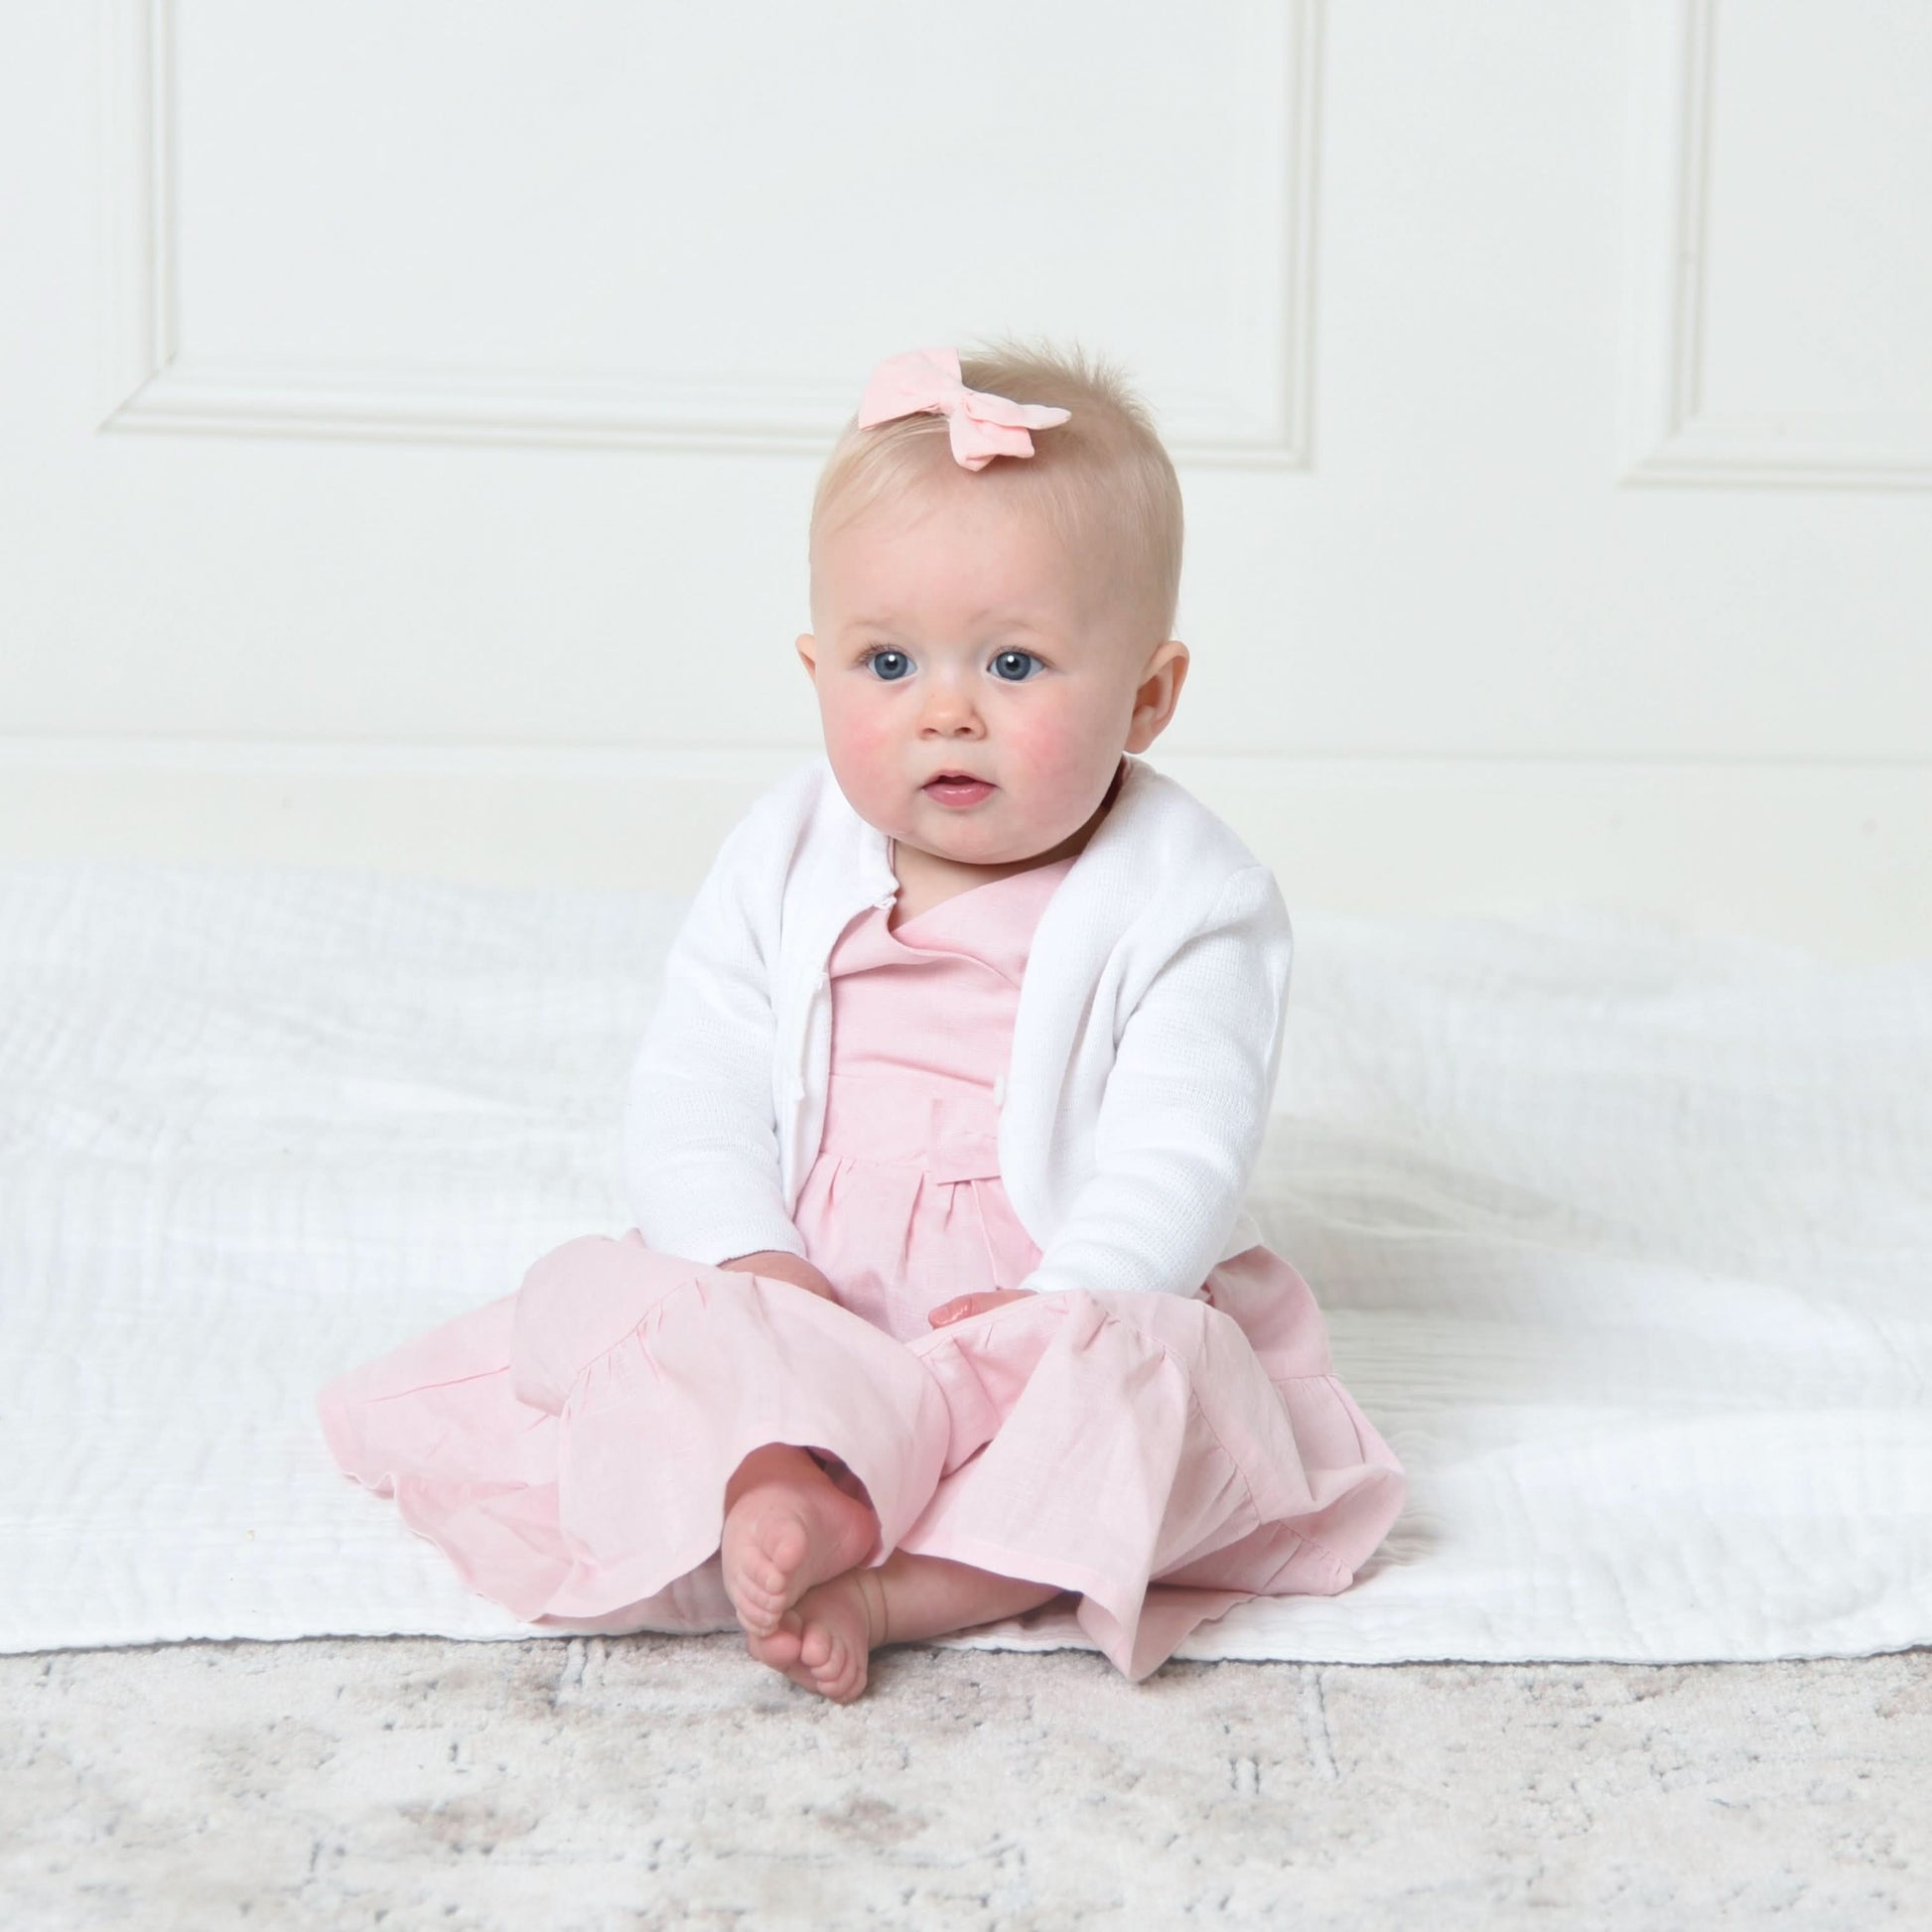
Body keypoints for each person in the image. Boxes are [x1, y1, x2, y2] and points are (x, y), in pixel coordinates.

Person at [318, 340, 1405, 1702]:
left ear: (1146, 696)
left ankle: (908, 1584)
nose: (946, 711)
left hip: (1041, 1297)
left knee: (1140, 1402)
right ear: (815, 666)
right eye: (887, 661)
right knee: (645, 1322)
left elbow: (1181, 1146)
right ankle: (787, 1476)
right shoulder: (783, 853)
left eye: (1014, 663)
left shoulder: (1190, 896)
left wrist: (1069, 1299)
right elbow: (697, 1082)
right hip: (811, 1290)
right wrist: (748, 1256)